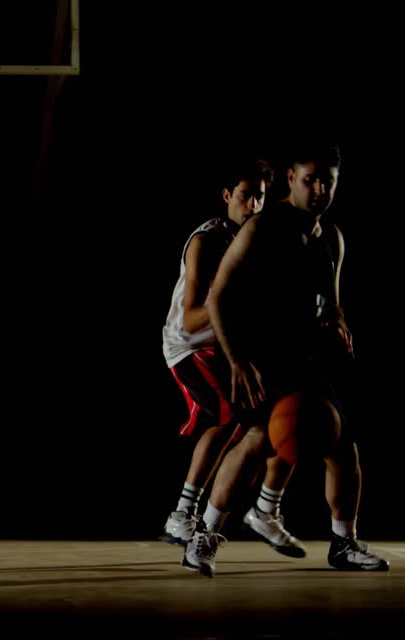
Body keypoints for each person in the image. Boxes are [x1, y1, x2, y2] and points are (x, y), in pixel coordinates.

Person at [183, 142, 390, 576]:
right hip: (257, 353)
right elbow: (217, 297)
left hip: (306, 353)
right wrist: (238, 361)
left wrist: (339, 324)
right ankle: (204, 535)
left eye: (326, 182)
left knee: (341, 443)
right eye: (309, 179)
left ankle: (343, 542)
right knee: (259, 439)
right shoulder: (262, 229)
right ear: (292, 179)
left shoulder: (330, 237)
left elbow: (332, 303)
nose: (318, 190)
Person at [160, 158, 304, 556]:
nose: (253, 205)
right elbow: (190, 319)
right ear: (227, 196)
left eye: (260, 196)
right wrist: (229, 292)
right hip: (188, 346)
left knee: (280, 415)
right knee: (226, 413)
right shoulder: (206, 242)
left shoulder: (257, 238)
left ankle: (264, 509)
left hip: (228, 347)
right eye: (245, 196)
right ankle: (183, 514)